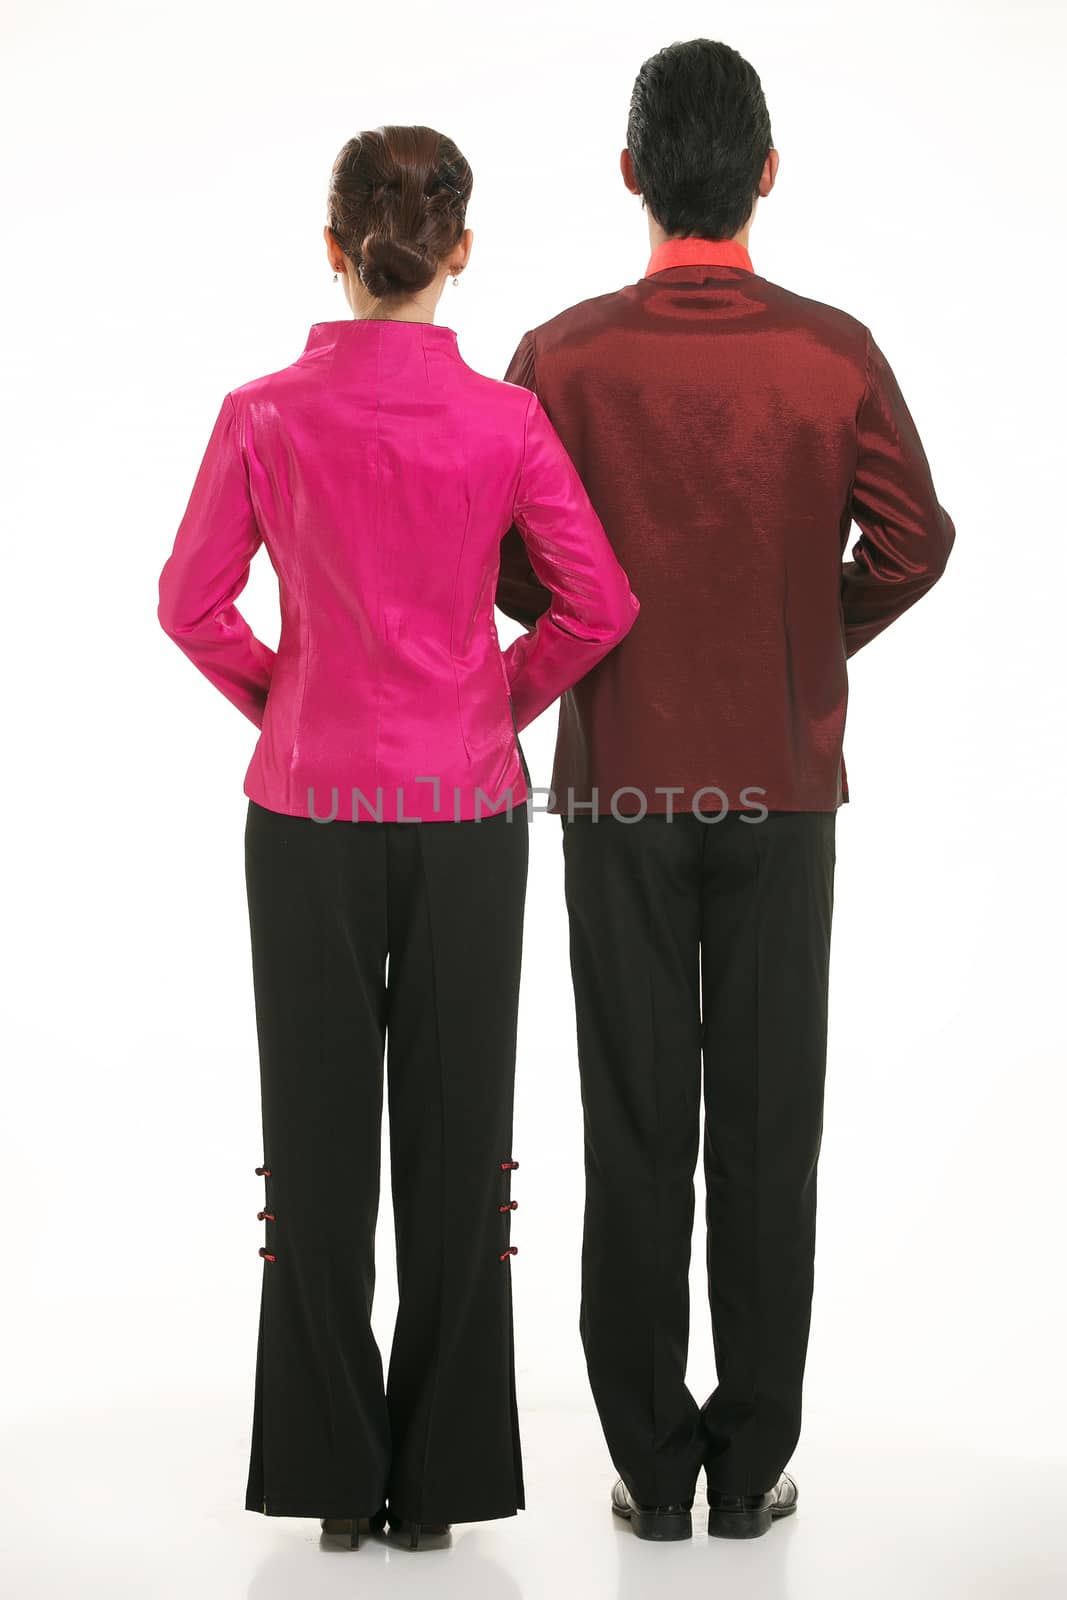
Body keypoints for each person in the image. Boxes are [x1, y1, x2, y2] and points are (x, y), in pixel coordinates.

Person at [157, 123, 639, 1553]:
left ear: (335, 250)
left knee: (310, 1149)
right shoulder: (504, 422)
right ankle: (437, 1487)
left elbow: (190, 603)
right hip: (468, 811)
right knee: (456, 1145)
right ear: (460, 253)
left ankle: (326, 1478)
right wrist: (493, 699)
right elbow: (596, 603)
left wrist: (288, 696)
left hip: (304, 815)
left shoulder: (262, 412)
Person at [496, 41, 954, 1542]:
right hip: (782, 789)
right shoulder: (832, 356)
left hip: (620, 787)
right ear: (765, 170)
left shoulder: (561, 359)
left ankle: (650, 1460)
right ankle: (752, 1467)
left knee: (635, 1121)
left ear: (633, 173)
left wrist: (600, 611)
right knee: (768, 1121)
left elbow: (509, 564)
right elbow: (914, 540)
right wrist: (802, 624)